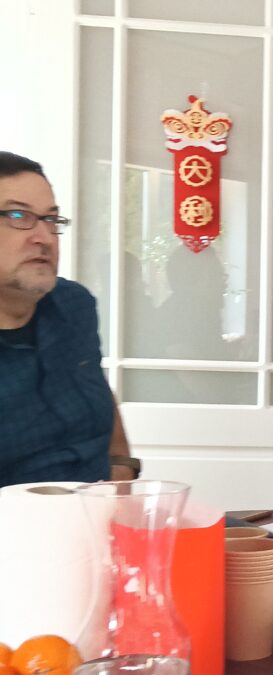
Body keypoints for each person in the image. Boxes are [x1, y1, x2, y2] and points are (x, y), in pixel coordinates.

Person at [0, 151, 138, 485]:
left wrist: (122, 466)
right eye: (18, 215)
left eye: (51, 219)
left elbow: (97, 388)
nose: (44, 237)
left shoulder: (74, 305)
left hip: (99, 506)